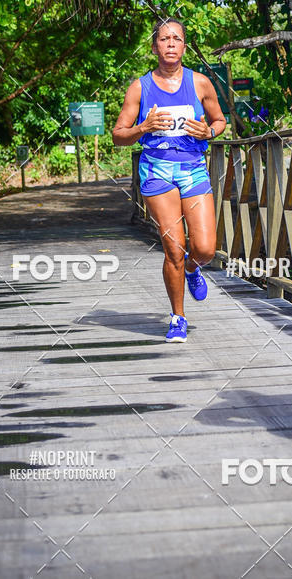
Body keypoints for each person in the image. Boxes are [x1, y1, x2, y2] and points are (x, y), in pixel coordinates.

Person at [113, 18, 226, 342]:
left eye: (177, 38)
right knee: (174, 249)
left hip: (193, 168)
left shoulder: (200, 83)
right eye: (164, 39)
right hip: (157, 171)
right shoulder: (140, 87)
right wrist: (143, 128)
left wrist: (208, 131)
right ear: (155, 47)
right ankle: (178, 317)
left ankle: (193, 268)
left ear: (184, 47)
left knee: (204, 249)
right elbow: (118, 136)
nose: (171, 44)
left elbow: (219, 121)